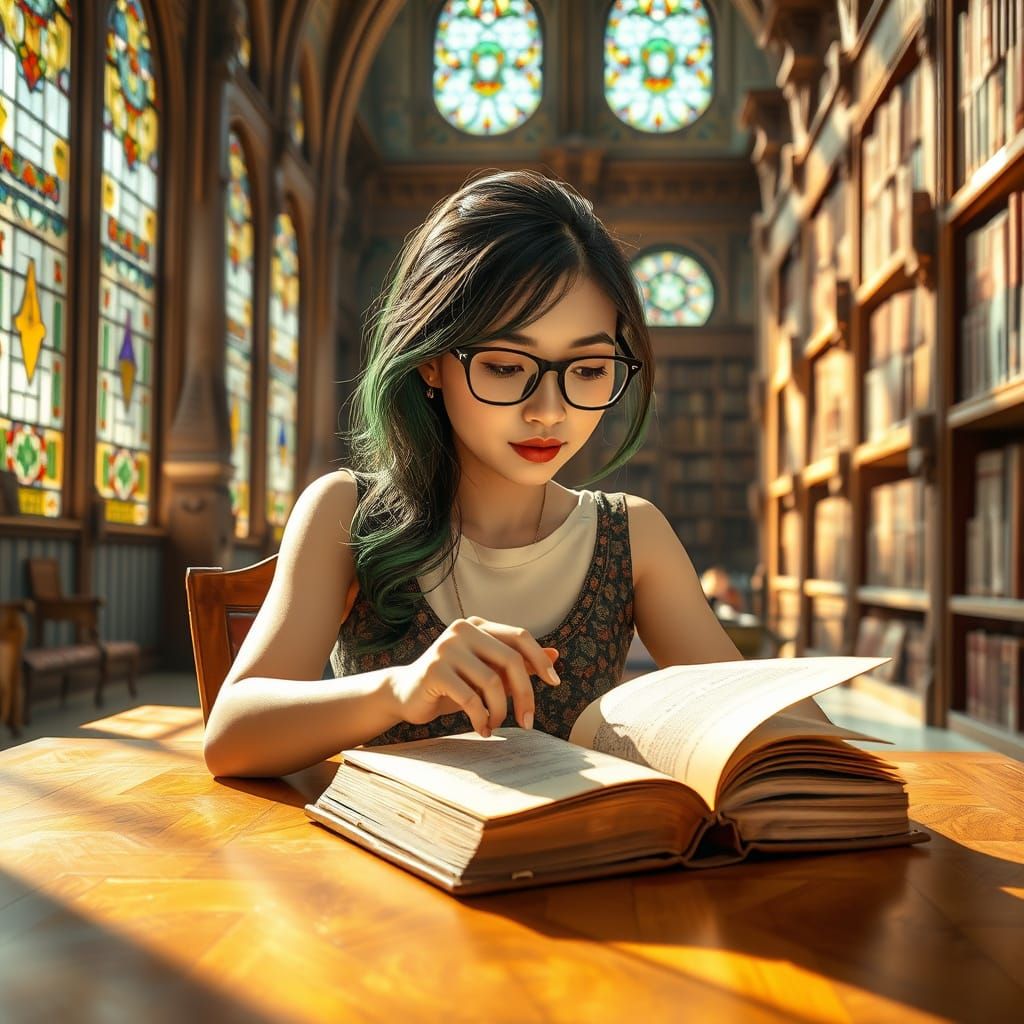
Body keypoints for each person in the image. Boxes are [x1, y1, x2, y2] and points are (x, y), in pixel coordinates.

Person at [203, 169, 750, 779]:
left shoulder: (632, 535)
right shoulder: (345, 513)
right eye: (506, 366)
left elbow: (768, 726)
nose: (549, 411)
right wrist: (400, 690)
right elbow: (231, 737)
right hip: (381, 869)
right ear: (432, 363)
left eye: (590, 369)